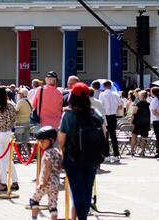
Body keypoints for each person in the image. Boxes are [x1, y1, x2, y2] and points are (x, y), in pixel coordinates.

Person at [58, 83, 105, 220]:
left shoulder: (69, 114)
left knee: (77, 191)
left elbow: (61, 139)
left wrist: (62, 152)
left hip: (73, 157)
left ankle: (82, 218)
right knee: (87, 189)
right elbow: (103, 132)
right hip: (93, 156)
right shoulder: (95, 113)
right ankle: (83, 216)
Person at [29, 127, 61, 220]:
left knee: (34, 200)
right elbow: (60, 166)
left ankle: (34, 218)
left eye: (43, 141)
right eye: (40, 141)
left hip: (46, 182)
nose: (41, 144)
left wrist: (43, 182)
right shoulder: (57, 152)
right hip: (55, 183)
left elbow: (48, 167)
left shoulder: (47, 153)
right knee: (53, 205)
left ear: (51, 140)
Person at [98, 80, 122, 162]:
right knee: (113, 136)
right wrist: (114, 110)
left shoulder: (102, 94)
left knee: (106, 136)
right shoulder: (116, 94)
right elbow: (120, 106)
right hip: (113, 116)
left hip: (105, 116)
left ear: (104, 86)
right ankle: (116, 154)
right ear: (111, 86)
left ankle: (107, 155)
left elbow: (101, 106)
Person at [130, 90, 150, 156]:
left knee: (134, 136)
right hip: (146, 123)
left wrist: (131, 121)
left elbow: (134, 113)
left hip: (137, 122)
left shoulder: (138, 104)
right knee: (143, 137)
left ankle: (132, 150)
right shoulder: (148, 104)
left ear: (141, 96)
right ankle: (142, 151)